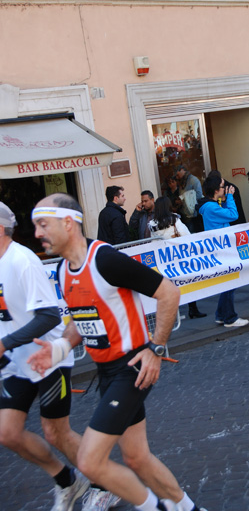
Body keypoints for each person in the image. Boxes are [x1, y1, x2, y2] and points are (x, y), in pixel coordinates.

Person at [29, 193, 207, 511]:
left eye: (43, 224)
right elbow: (81, 322)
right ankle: (187, 508)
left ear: (68, 223)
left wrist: (155, 348)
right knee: (136, 458)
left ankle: (155, 507)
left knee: (89, 460)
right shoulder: (62, 270)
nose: (37, 233)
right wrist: (57, 349)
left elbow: (168, 292)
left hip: (132, 366)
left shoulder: (105, 259)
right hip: (106, 373)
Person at [0, 202, 115, 511]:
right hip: (14, 363)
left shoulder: (22, 260)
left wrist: (4, 343)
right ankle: (67, 480)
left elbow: (49, 316)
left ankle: (106, 485)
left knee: (55, 433)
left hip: (47, 357)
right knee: (7, 432)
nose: (39, 233)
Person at [198, 176, 249, 328]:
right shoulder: (211, 207)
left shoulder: (210, 206)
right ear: (215, 191)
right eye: (222, 186)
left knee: (228, 282)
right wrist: (231, 197)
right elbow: (233, 215)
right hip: (222, 249)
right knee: (230, 282)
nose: (225, 188)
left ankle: (221, 315)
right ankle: (229, 317)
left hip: (221, 247)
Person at [148, 197, 206, 320]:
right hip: (179, 255)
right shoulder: (175, 220)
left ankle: (173, 313)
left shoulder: (152, 225)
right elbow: (186, 235)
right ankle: (193, 309)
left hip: (164, 257)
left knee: (170, 284)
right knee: (188, 280)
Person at [175, 165, 203, 233]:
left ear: (182, 170)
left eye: (177, 174)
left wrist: (185, 200)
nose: (176, 176)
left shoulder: (193, 180)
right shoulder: (182, 182)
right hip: (186, 214)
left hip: (194, 214)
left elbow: (199, 195)